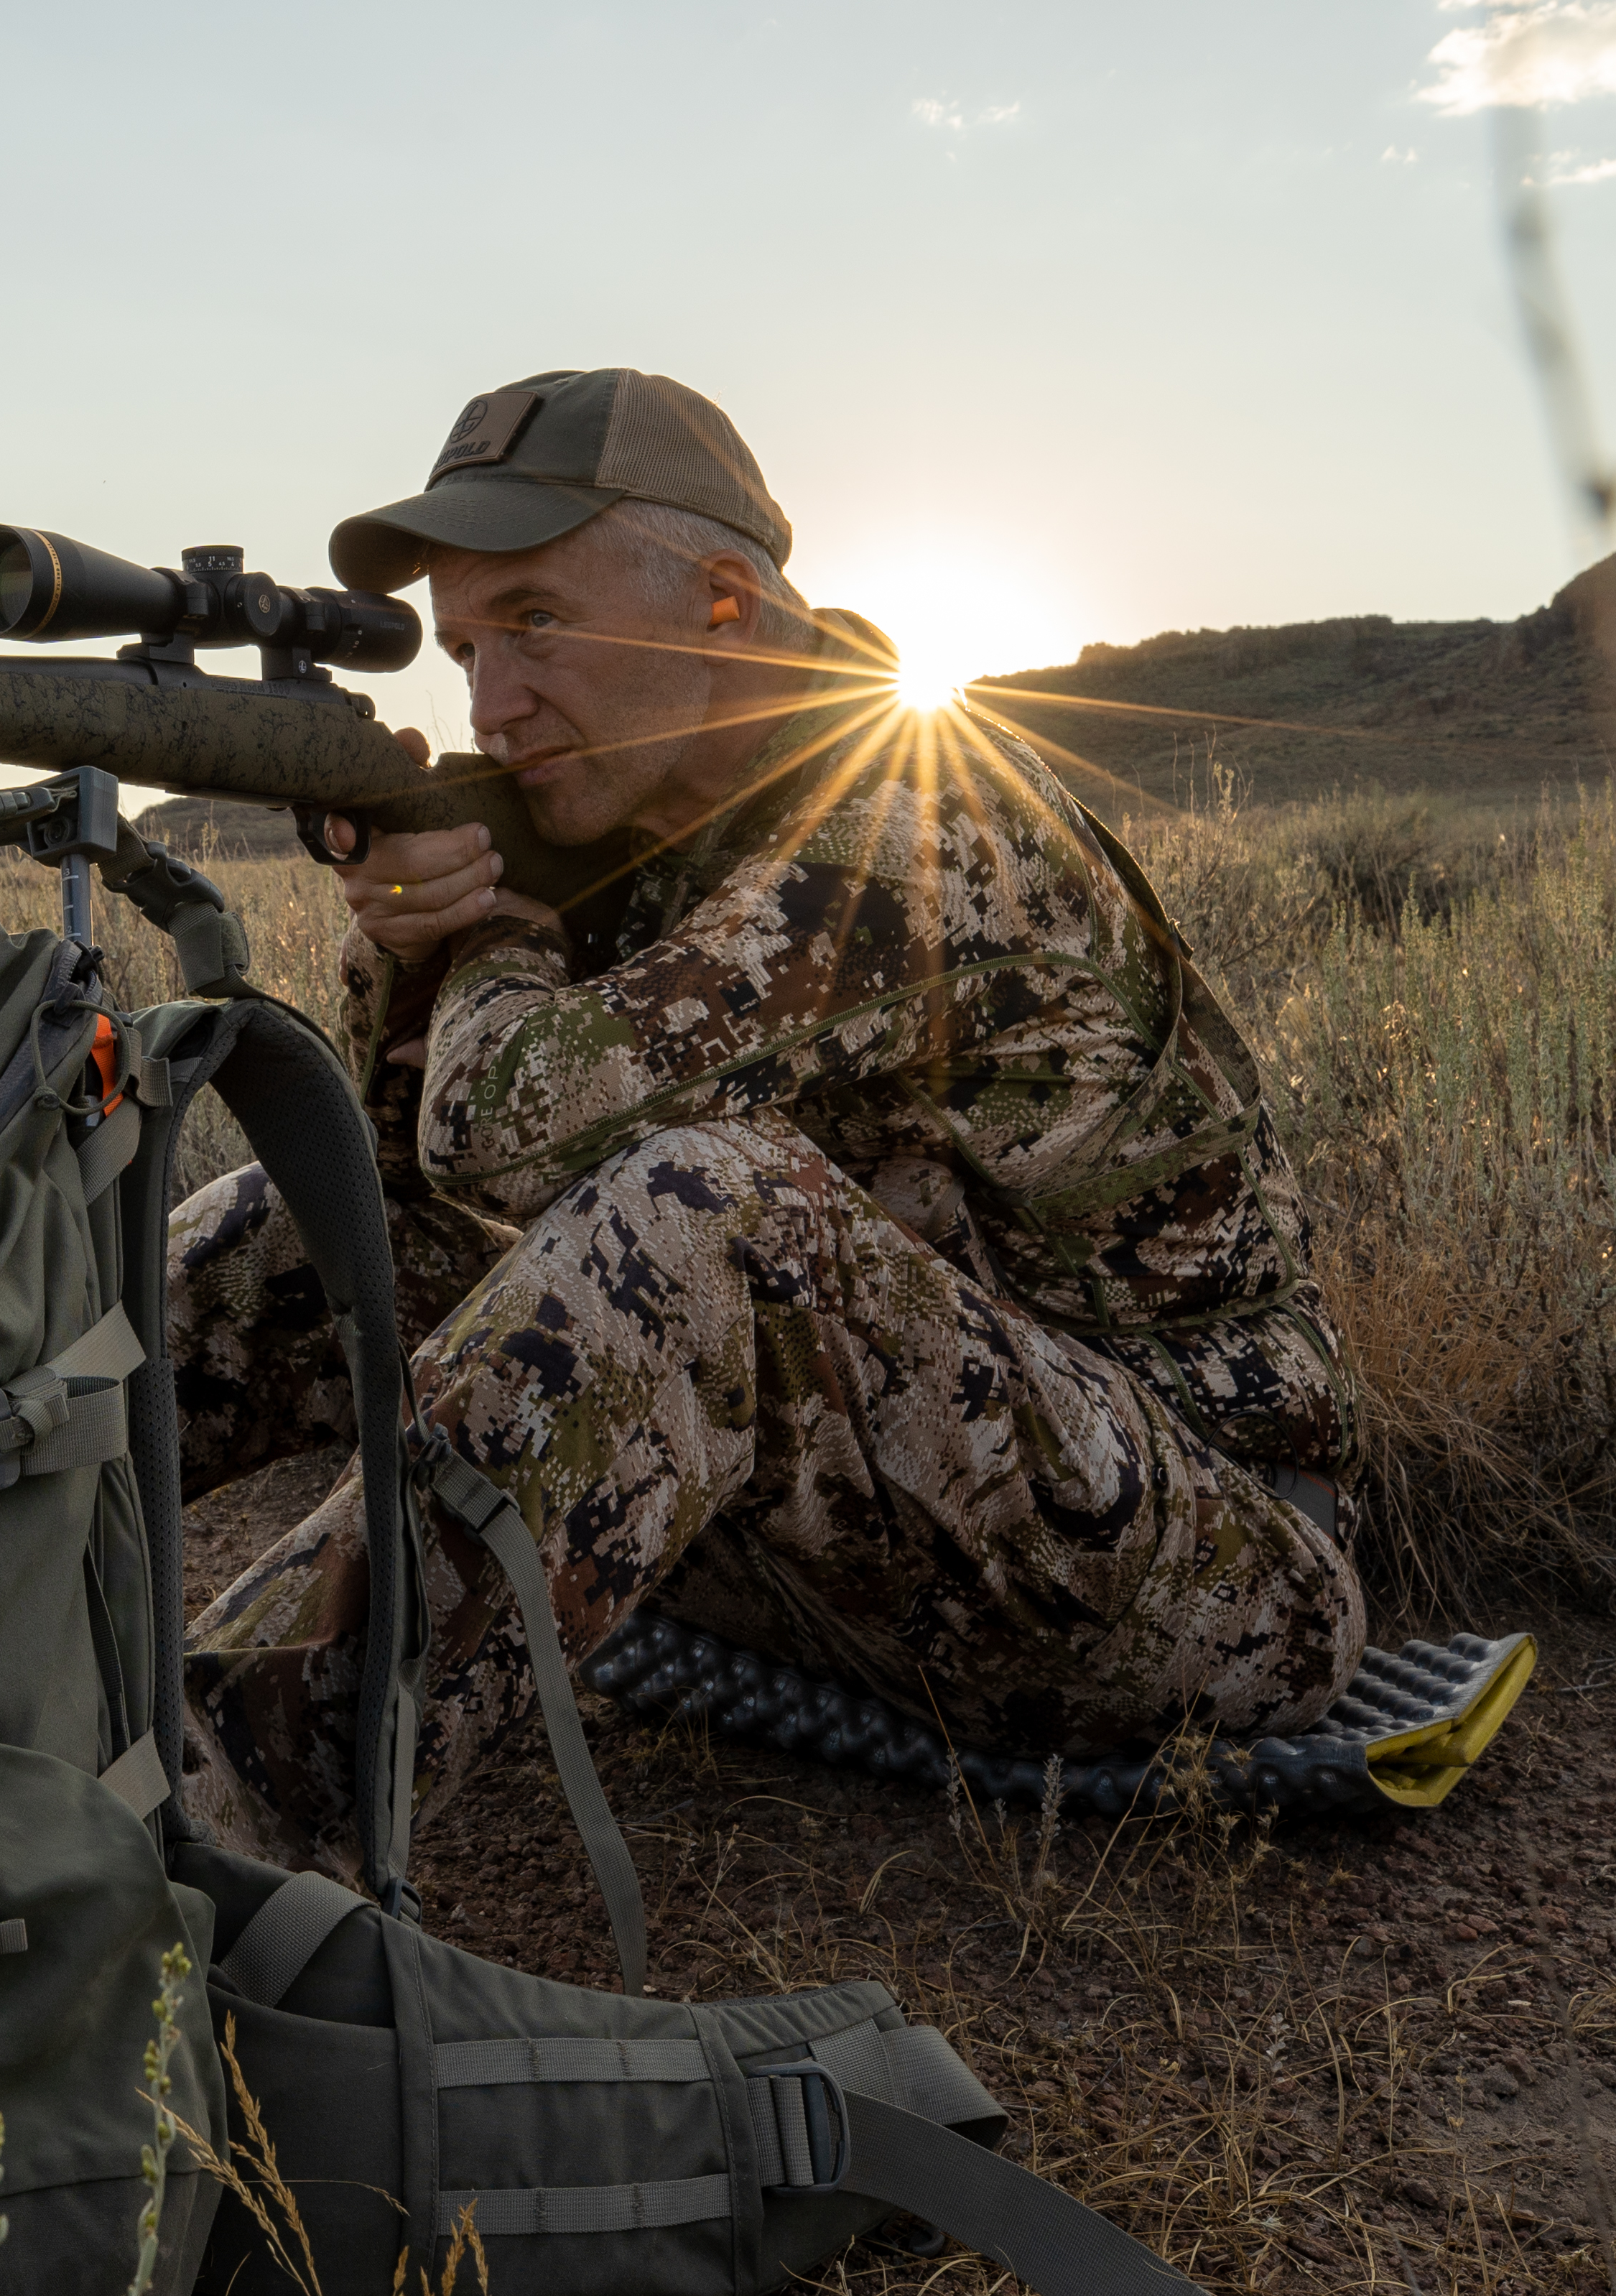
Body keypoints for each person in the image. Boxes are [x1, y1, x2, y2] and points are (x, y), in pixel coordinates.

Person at [171, 366, 1364, 1876]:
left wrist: (492, 938)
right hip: (877, 1531)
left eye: (535, 620)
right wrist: (405, 941)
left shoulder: (911, 818)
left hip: (1195, 1576)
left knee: (706, 1215)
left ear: (724, 604)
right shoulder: (651, 816)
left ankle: (173, 1849)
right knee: (298, 1223)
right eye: (465, 647)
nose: (488, 703)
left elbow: (508, 1133)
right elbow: (407, 1159)